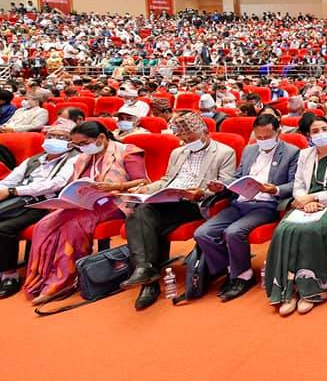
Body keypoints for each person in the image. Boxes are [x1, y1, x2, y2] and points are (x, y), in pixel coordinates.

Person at [120, 112, 236, 310]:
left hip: (196, 203)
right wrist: (146, 189)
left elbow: (226, 186)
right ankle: (147, 272)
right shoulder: (178, 152)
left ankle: (147, 276)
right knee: (139, 210)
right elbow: (167, 180)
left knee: (144, 218)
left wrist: (202, 192)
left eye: (191, 138)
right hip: (169, 199)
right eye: (183, 138)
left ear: (205, 132)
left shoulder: (225, 153)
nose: (187, 142)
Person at [24, 121, 148, 303]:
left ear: (101, 138)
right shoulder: (82, 158)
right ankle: (42, 277)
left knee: (73, 226)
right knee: (44, 224)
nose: (81, 148)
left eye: (84, 143)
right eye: (77, 145)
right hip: (85, 203)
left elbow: (143, 182)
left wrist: (118, 185)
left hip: (115, 202)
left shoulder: (127, 151)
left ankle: (64, 280)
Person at [195, 114, 299, 301]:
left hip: (266, 204)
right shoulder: (250, 150)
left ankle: (244, 276)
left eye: (267, 137)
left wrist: (275, 189)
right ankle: (229, 269)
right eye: (259, 137)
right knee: (203, 233)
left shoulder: (292, 152)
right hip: (240, 202)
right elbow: (237, 177)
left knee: (234, 232)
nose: (263, 140)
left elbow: (295, 184)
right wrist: (222, 185)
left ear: (278, 132)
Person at [264, 116, 327, 315]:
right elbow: (298, 186)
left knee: (314, 230)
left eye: (324, 129)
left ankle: (312, 290)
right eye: (315, 131)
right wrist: (304, 200)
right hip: (305, 204)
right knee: (283, 229)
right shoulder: (304, 155)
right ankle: (288, 289)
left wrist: (314, 197)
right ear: (308, 135)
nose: (320, 133)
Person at [0, 122, 80, 298]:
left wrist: (14, 191)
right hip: (17, 200)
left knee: (4, 229)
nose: (54, 139)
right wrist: (4, 190)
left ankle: (9, 276)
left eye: (61, 137)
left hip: (45, 205)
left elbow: (56, 184)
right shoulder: (34, 159)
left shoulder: (74, 159)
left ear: (71, 142)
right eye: (51, 136)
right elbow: (8, 181)